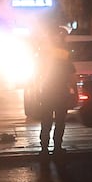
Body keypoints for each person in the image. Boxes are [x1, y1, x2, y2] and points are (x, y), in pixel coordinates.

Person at [37, 30, 77, 158]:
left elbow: (37, 75)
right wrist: (74, 92)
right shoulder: (65, 56)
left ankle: (44, 149)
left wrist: (38, 91)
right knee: (59, 122)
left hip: (48, 93)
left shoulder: (44, 55)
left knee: (46, 121)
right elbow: (71, 77)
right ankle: (57, 147)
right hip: (60, 93)